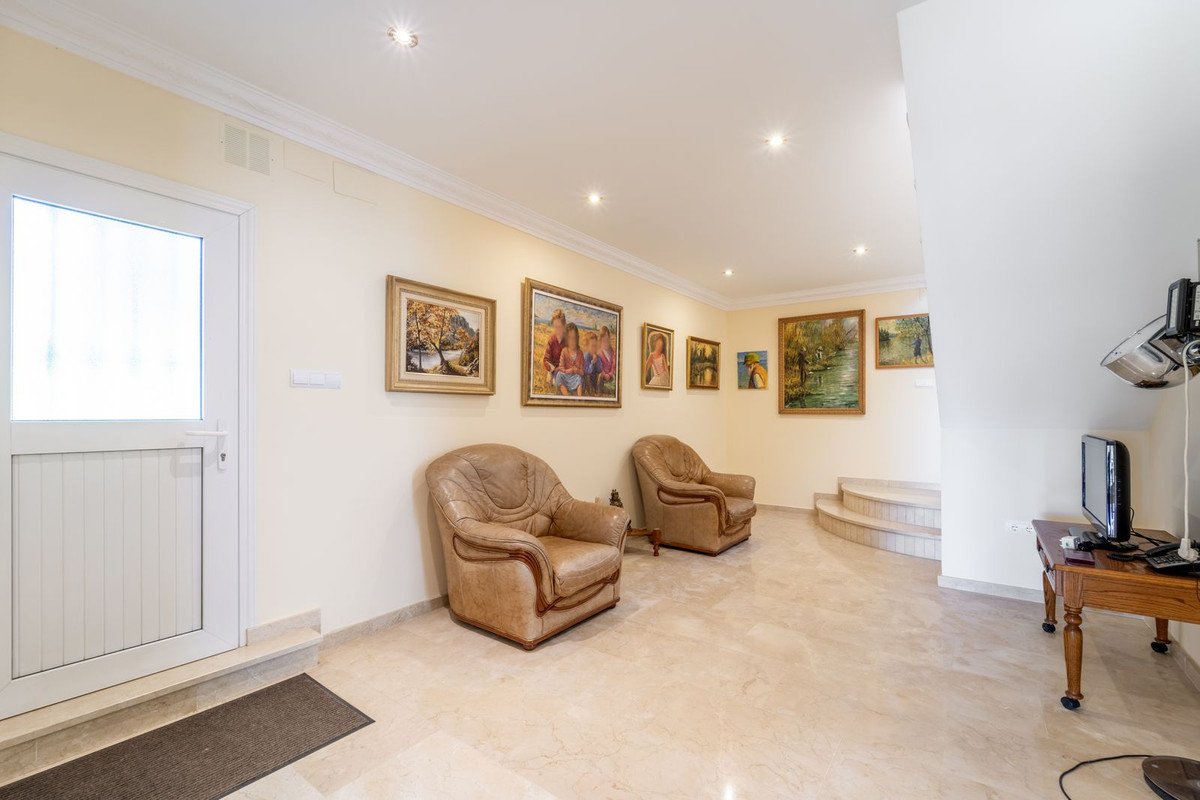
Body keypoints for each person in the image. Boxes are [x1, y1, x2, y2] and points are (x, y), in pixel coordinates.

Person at [553, 323, 585, 396]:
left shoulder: (580, 353)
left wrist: (577, 370)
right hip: (566, 376)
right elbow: (561, 367)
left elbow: (582, 371)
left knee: (579, 378)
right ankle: (566, 396)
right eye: (570, 338)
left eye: (574, 338)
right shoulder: (564, 351)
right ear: (566, 339)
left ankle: (579, 398)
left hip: (575, 377)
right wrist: (568, 371)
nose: (572, 341)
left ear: (577, 338)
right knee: (559, 375)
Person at [541, 308, 566, 384]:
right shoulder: (552, 340)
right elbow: (546, 359)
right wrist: (551, 369)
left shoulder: (568, 340)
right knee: (550, 381)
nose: (557, 330)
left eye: (559, 327)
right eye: (555, 327)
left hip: (564, 371)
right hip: (553, 370)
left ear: (564, 325)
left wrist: (560, 368)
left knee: (557, 383)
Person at [597, 326, 617, 395]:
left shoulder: (612, 352)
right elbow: (599, 367)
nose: (606, 341)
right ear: (601, 339)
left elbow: (613, 365)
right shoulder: (599, 352)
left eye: (607, 338)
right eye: (604, 339)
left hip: (611, 376)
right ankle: (600, 392)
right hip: (602, 376)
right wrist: (604, 374)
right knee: (600, 377)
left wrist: (610, 374)